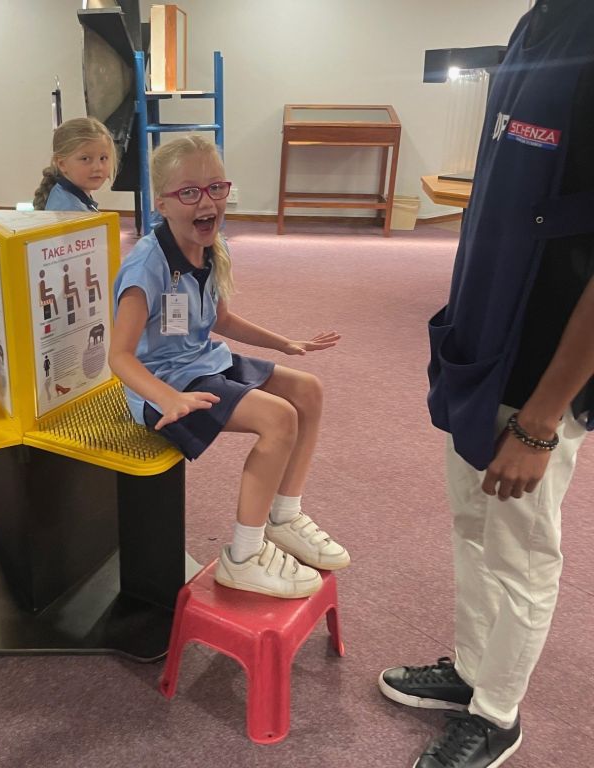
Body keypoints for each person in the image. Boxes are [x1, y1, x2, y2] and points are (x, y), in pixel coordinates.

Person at [378, 2, 594, 766]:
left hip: (540, 365)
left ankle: (498, 713)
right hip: (481, 340)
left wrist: (542, 420)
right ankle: (471, 671)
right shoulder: (539, 22)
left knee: (524, 549)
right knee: (470, 525)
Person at [109, 135, 350, 599]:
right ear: (161, 202)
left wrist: (284, 343)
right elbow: (119, 357)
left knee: (309, 391)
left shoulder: (213, 247)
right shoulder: (146, 268)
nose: (207, 202)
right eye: (189, 192)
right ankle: (243, 555)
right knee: (279, 419)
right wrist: (168, 398)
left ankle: (285, 514)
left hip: (203, 361)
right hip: (163, 387)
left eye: (216, 187)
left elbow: (219, 319)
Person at [32, 117, 117, 212]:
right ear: (62, 164)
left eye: (103, 158)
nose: (98, 167)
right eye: (85, 159)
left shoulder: (68, 196)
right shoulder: (70, 210)